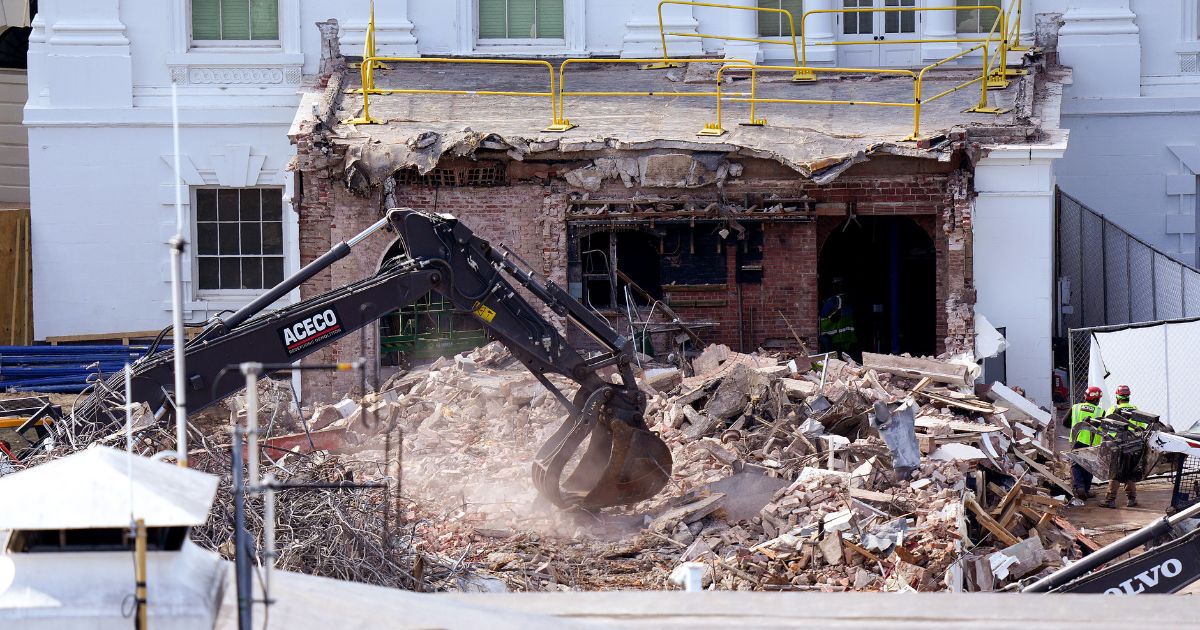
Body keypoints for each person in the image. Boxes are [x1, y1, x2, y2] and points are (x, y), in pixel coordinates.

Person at [1100, 384, 1144, 508]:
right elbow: (1142, 427)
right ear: (1128, 396)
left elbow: (1106, 426)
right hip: (1134, 444)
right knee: (1130, 470)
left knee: (1115, 471)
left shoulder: (1113, 409)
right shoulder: (1135, 409)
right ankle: (1131, 499)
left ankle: (1110, 500)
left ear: (1117, 397)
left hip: (1118, 443)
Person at [1064, 386, 1105, 502]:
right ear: (1097, 400)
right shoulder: (1100, 411)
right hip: (1092, 443)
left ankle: (1079, 488)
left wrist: (1074, 425)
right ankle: (1085, 490)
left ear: (1085, 397)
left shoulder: (1075, 407)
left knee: (1076, 464)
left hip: (1077, 441)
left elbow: (1065, 422)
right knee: (1089, 466)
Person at [819, 277, 857, 354]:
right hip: (846, 337)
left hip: (833, 337)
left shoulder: (834, 300)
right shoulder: (849, 299)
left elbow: (822, 314)